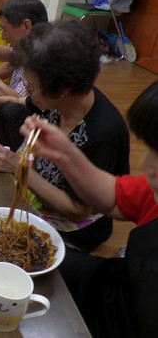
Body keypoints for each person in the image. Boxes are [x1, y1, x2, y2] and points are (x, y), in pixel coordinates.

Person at [0, 21, 130, 252]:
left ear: (62, 90)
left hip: (74, 227)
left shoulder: (102, 133)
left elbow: (77, 210)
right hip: (38, 187)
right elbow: (20, 101)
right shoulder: (66, 95)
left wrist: (18, 167)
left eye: (32, 87)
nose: (28, 91)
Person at [20, 80, 158, 337]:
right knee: (30, 258)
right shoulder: (153, 192)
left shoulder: (105, 130)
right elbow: (112, 198)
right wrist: (64, 154)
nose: (145, 164)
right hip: (117, 286)